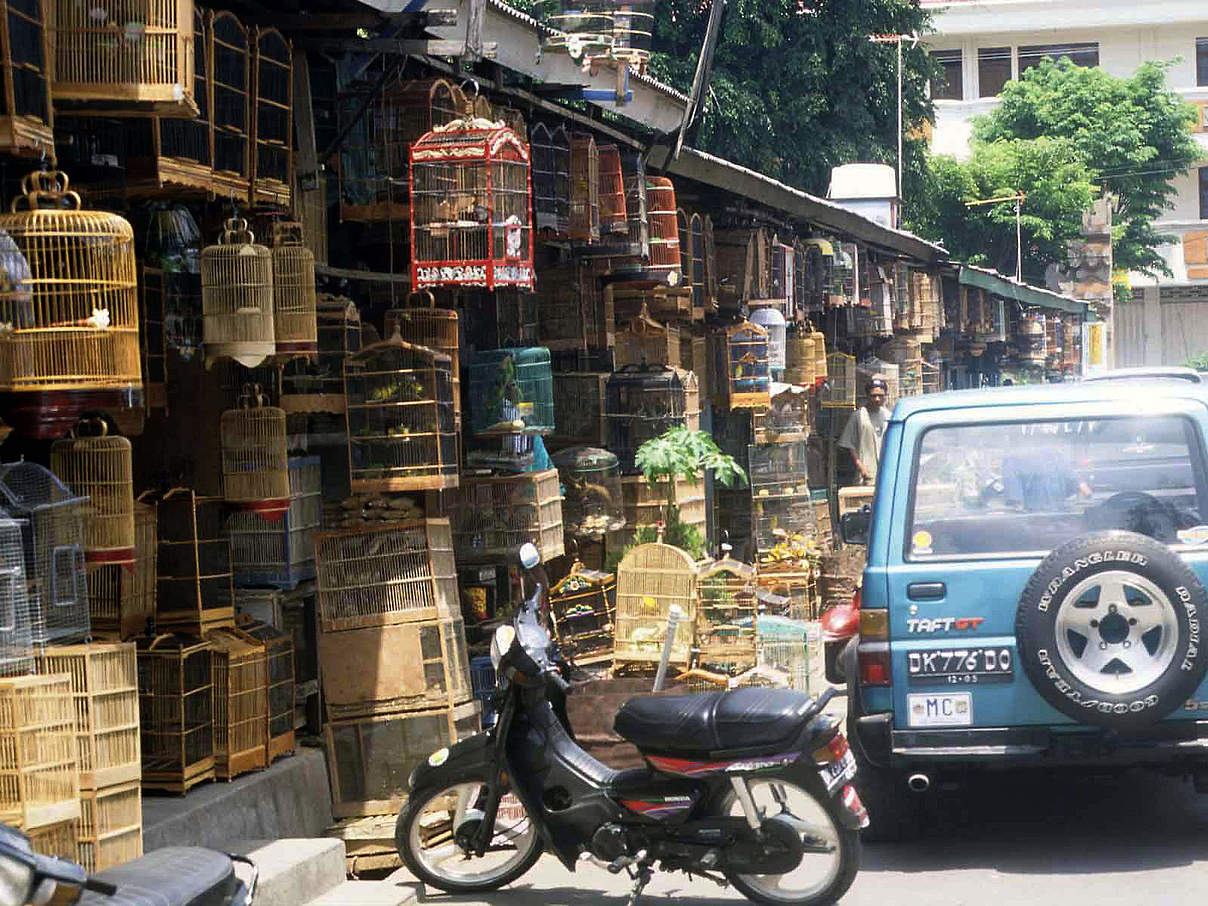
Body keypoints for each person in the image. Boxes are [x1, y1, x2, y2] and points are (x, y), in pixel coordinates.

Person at [839, 376, 889, 485]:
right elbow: (849, 445)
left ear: (885, 396)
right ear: (867, 396)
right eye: (873, 396)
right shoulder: (858, 416)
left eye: (880, 396)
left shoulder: (888, 416)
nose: (877, 399)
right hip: (866, 475)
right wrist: (861, 468)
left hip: (886, 472)